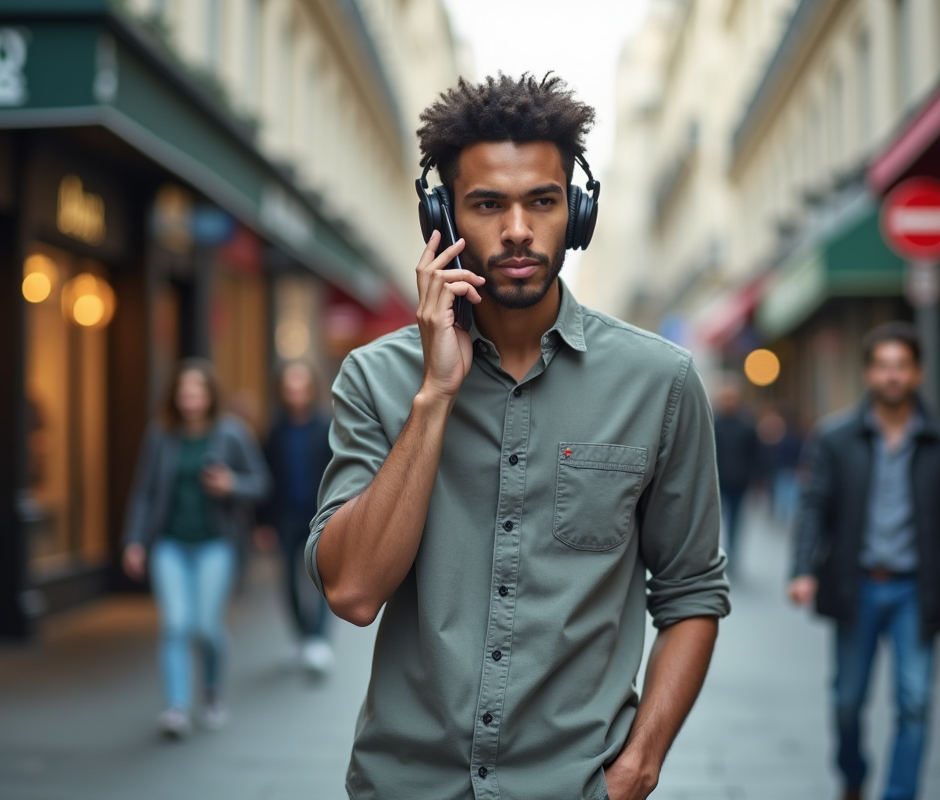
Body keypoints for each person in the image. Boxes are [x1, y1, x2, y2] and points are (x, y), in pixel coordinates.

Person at [305, 74, 729, 800]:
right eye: (487, 204)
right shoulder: (377, 379)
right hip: (407, 783)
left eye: (543, 200)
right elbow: (351, 590)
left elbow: (691, 591)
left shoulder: (659, 382)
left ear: (578, 212)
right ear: (441, 218)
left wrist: (640, 766)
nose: (519, 231)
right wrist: (435, 395)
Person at [787, 322, 940, 800]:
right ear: (868, 373)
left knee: (914, 702)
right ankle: (853, 774)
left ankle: (899, 793)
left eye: (902, 366)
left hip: (919, 588)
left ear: (918, 373)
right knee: (848, 702)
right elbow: (815, 508)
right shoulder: (836, 438)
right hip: (856, 586)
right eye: (883, 366)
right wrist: (802, 570)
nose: (892, 376)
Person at [121, 358, 271, 738]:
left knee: (205, 626)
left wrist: (230, 484)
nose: (190, 398)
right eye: (184, 391)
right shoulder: (161, 435)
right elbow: (143, 492)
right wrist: (135, 541)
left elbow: (261, 483)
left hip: (215, 545)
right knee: (176, 625)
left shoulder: (231, 433)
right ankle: (176, 708)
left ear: (209, 394)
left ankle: (212, 690)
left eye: (197, 391)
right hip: (169, 545)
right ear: (174, 395)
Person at [259, 360, 335, 674]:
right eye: (290, 387)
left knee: (322, 578)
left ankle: (318, 639)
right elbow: (265, 478)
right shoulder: (274, 431)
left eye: (301, 386)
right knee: (287, 581)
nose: (296, 392)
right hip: (285, 516)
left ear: (311, 388)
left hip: (319, 515)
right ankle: (302, 636)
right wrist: (262, 523)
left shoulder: (327, 427)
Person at [713, 380, 759, 566]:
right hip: (715, 481)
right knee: (712, 521)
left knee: (736, 521)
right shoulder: (712, 423)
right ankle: (713, 553)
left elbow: (755, 454)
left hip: (739, 482)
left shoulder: (747, 425)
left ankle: (732, 553)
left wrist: (754, 478)